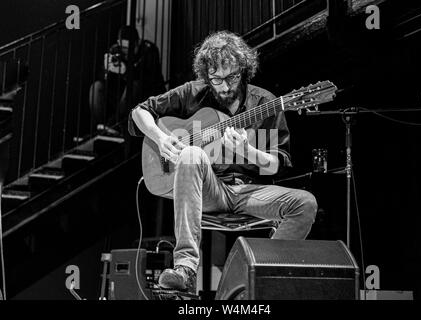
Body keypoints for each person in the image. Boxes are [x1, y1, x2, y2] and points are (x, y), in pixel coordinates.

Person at [129, 31, 318, 294]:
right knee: (192, 154)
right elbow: (140, 112)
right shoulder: (193, 94)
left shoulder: (266, 103)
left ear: (244, 69)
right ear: (207, 76)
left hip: (249, 191)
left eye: (232, 77)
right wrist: (161, 139)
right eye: (216, 79)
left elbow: (278, 163)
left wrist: (249, 151)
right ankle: (185, 268)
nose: (225, 86)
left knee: (306, 203)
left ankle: (263, 275)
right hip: (209, 190)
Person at [89, 25, 165, 134]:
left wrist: (126, 72)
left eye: (128, 48)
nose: (125, 52)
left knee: (134, 85)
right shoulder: (115, 50)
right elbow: (104, 79)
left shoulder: (149, 49)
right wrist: (106, 69)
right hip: (121, 96)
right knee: (97, 87)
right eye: (123, 48)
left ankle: (116, 124)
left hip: (145, 95)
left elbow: (148, 78)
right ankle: (103, 127)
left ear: (137, 43)